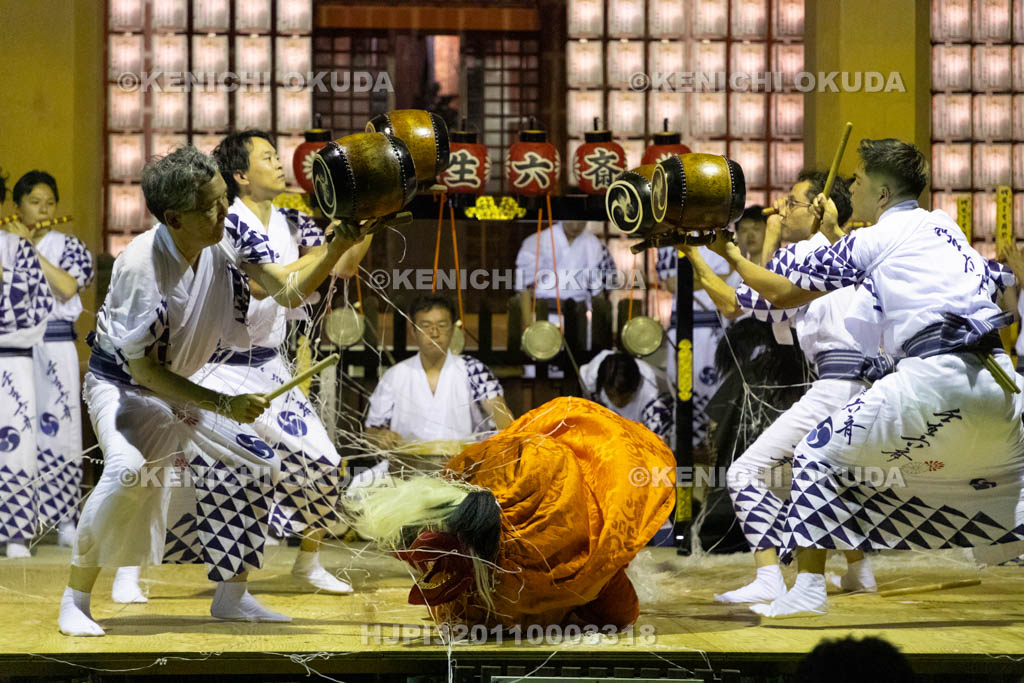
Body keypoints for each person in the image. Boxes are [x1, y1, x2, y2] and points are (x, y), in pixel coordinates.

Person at [58, 146, 374, 636]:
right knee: (127, 472)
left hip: (180, 383)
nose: (225, 212)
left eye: (224, 199)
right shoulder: (141, 267)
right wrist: (225, 404)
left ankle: (232, 597)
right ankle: (75, 600)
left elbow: (285, 291)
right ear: (174, 217)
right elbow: (142, 372)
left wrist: (335, 248)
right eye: (211, 205)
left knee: (258, 463)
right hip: (123, 387)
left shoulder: (225, 234)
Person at [713, 138, 1024, 618]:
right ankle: (857, 565)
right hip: (999, 379)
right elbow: (1002, 281)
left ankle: (809, 587)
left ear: (881, 194)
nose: (850, 188)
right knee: (1008, 478)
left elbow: (785, 294)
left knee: (815, 455)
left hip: (931, 376)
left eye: (857, 180)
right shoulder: (945, 226)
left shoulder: (871, 239)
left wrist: (732, 257)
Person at [681, 173, 879, 604]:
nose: (780, 210)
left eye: (791, 203)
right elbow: (772, 316)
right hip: (870, 386)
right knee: (831, 478)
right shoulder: (849, 250)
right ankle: (860, 570)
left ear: (819, 208)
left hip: (837, 386)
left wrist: (707, 255)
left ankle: (770, 576)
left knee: (744, 473)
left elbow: (739, 304)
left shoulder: (806, 253)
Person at [351, 396, 675, 629]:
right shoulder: (482, 473)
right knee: (617, 610)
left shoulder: (498, 586)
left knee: (614, 605)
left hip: (555, 484)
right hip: (557, 474)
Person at [11, 171, 94, 551]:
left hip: (57, 345)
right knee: (16, 435)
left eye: (50, 203)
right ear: (17, 207)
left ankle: (63, 520)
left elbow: (65, 287)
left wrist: (30, 250)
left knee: (60, 433)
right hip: (12, 350)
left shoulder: (70, 245)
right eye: (34, 202)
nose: (43, 210)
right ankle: (16, 527)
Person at [366, 294, 513, 449]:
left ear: (453, 329)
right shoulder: (395, 375)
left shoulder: (472, 369)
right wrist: (380, 436)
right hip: (403, 467)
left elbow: (499, 411)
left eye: (442, 325)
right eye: (426, 325)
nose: (434, 333)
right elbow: (370, 432)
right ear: (413, 331)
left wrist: (505, 429)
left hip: (461, 466)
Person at [0, 174, 55, 559]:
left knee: (15, 445)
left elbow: (37, 315)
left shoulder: (17, 248)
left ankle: (15, 533)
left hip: (13, 361)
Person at [515, 220, 617, 376]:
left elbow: (601, 291)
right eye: (571, 220)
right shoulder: (537, 242)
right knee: (541, 369)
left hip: (581, 317)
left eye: (580, 221)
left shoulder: (594, 245)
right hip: (544, 315)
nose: (576, 226)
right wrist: (529, 327)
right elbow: (523, 288)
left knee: (579, 368)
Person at [578, 349, 673, 445]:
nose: (616, 401)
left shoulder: (655, 403)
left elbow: (657, 452)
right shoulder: (593, 375)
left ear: (634, 389)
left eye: (624, 398)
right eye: (611, 395)